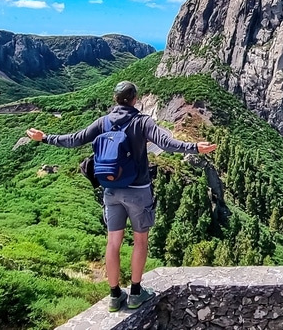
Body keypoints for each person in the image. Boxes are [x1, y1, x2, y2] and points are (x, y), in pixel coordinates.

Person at [26, 80, 217, 311]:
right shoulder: (143, 122)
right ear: (135, 99)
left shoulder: (103, 122)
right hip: (138, 192)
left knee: (113, 243)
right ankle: (136, 292)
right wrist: (195, 147)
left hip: (111, 191)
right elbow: (166, 143)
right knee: (140, 240)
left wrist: (44, 137)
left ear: (115, 99)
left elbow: (74, 139)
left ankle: (115, 296)